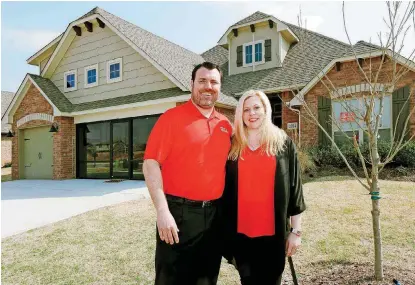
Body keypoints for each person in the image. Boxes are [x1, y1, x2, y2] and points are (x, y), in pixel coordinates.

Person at [143, 62, 232, 285]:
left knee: (206, 280)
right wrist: (162, 211)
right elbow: (151, 163)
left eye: (213, 82)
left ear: (220, 87)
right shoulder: (171, 118)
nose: (207, 86)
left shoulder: (226, 125)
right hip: (177, 215)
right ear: (191, 84)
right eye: (202, 81)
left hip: (213, 218)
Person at [222, 90, 306, 285]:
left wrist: (296, 232)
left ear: (265, 109)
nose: (252, 113)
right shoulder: (232, 145)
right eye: (246, 109)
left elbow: (295, 191)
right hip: (241, 236)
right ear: (240, 114)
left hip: (273, 237)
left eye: (256, 108)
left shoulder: (282, 143)